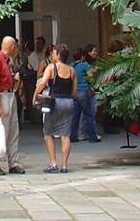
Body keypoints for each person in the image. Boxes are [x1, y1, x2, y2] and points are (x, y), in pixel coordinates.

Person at [35, 43, 77, 173]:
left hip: (54, 102)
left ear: (58, 55)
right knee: (65, 135)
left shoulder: (51, 68)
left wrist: (35, 95)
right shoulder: (71, 70)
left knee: (48, 133)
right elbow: (74, 91)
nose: (52, 55)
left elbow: (42, 83)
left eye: (53, 53)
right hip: (68, 102)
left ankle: (53, 163)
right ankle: (64, 165)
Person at [0, 37, 24, 175]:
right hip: (2, 96)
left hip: (10, 94)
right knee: (0, 130)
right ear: (13, 47)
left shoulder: (8, 61)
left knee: (13, 131)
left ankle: (13, 162)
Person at [70, 44, 101, 143]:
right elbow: (91, 77)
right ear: (83, 56)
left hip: (75, 92)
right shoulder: (85, 66)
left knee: (75, 116)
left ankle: (73, 136)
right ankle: (92, 137)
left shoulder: (72, 66)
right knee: (89, 115)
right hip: (84, 91)